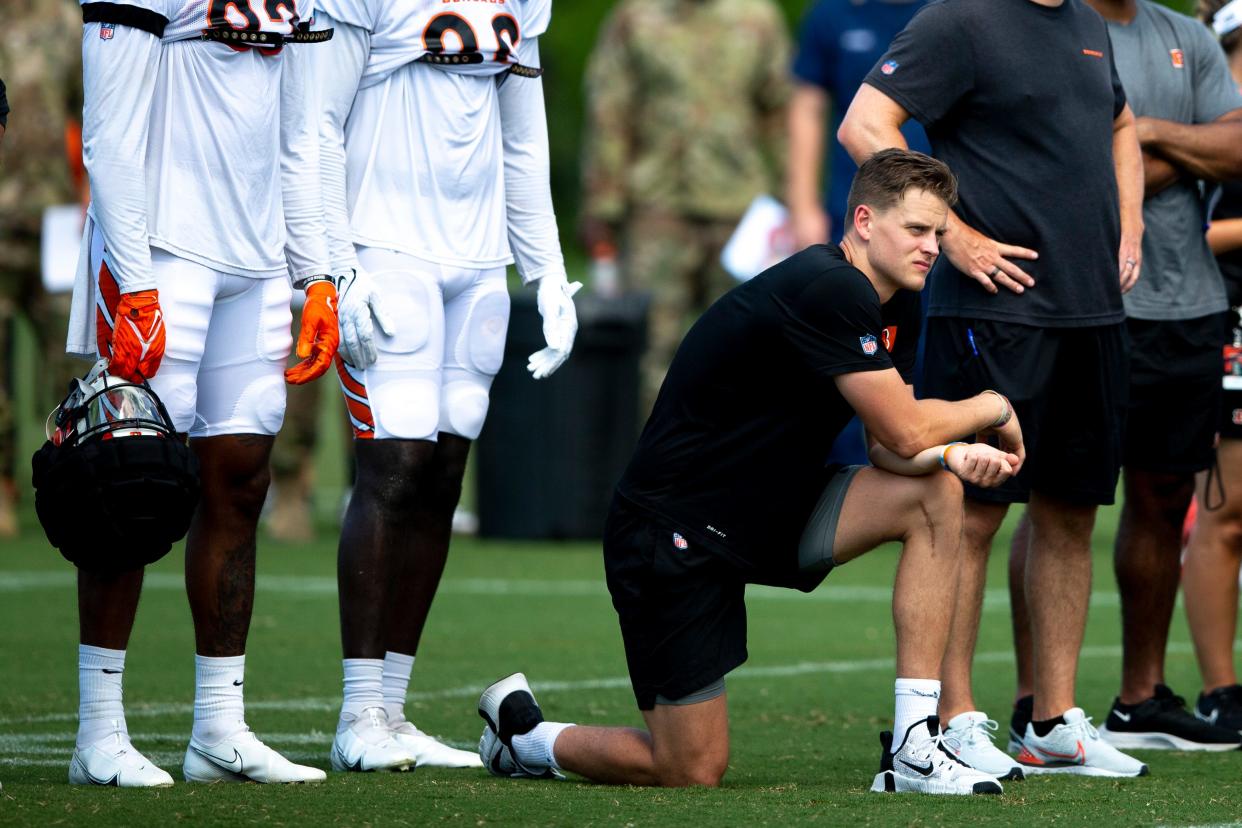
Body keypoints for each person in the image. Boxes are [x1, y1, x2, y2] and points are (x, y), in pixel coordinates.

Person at [476, 149, 1026, 795]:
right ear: (865, 221)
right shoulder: (830, 285)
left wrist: (950, 455)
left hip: (771, 510)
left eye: (939, 232)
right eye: (917, 229)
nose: (932, 247)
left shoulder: (894, 299)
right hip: (673, 531)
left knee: (933, 494)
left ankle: (914, 742)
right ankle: (524, 738)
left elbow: (890, 446)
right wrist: (990, 407)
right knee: (689, 769)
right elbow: (906, 428)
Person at [839, 0, 1149, 778]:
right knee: (969, 518)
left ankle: (1053, 722)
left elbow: (1120, 125)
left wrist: (1132, 223)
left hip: (1091, 312)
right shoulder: (961, 19)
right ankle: (954, 719)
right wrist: (954, 234)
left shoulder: (1087, 24)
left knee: (1071, 512)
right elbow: (865, 125)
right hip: (991, 311)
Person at [64, 0, 338, 786]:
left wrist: (315, 270)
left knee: (242, 479)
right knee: (129, 478)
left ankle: (220, 728)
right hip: (165, 248)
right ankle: (98, 732)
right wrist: (136, 278)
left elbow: (302, 134)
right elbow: (110, 132)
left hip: (253, 259)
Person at [307, 0, 579, 772]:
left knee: (441, 477)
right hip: (385, 239)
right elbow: (318, 124)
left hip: (476, 252)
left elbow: (523, 140)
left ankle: (391, 708)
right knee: (392, 469)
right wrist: (335, 261)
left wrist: (546, 269)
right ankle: (358, 711)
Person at [1045, 0, 1242, 753]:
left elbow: (1240, 149)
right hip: (1085, 302)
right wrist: (1184, 147)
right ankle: (1043, 704)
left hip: (1187, 305)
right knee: (1060, 503)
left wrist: (1141, 133)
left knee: (1163, 499)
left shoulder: (1185, 36)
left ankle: (1140, 698)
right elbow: (1074, 172)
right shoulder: (1050, 28)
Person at [580, 0, 792, 410]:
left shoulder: (757, 17)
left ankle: (729, 466)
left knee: (746, 348)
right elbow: (609, 110)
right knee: (650, 350)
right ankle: (657, 468)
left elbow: (781, 111)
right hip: (656, 210)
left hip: (740, 211)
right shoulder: (635, 16)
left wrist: (794, 203)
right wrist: (601, 205)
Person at [786, 0, 931, 467]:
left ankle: (914, 460)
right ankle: (839, 473)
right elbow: (807, 105)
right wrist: (802, 204)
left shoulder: (951, 11)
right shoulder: (832, 14)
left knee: (917, 348)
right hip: (851, 213)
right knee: (847, 345)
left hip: (938, 216)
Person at [0, 0, 87, 538]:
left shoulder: (68, 20)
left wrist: (88, 193)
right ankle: (1, 492)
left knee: (71, 360)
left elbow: (92, 112)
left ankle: (74, 480)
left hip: (58, 219)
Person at [1181, 0, 1242, 733]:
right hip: (1228, 314)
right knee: (1226, 516)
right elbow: (1190, 230)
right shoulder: (1206, 117)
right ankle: (1223, 689)